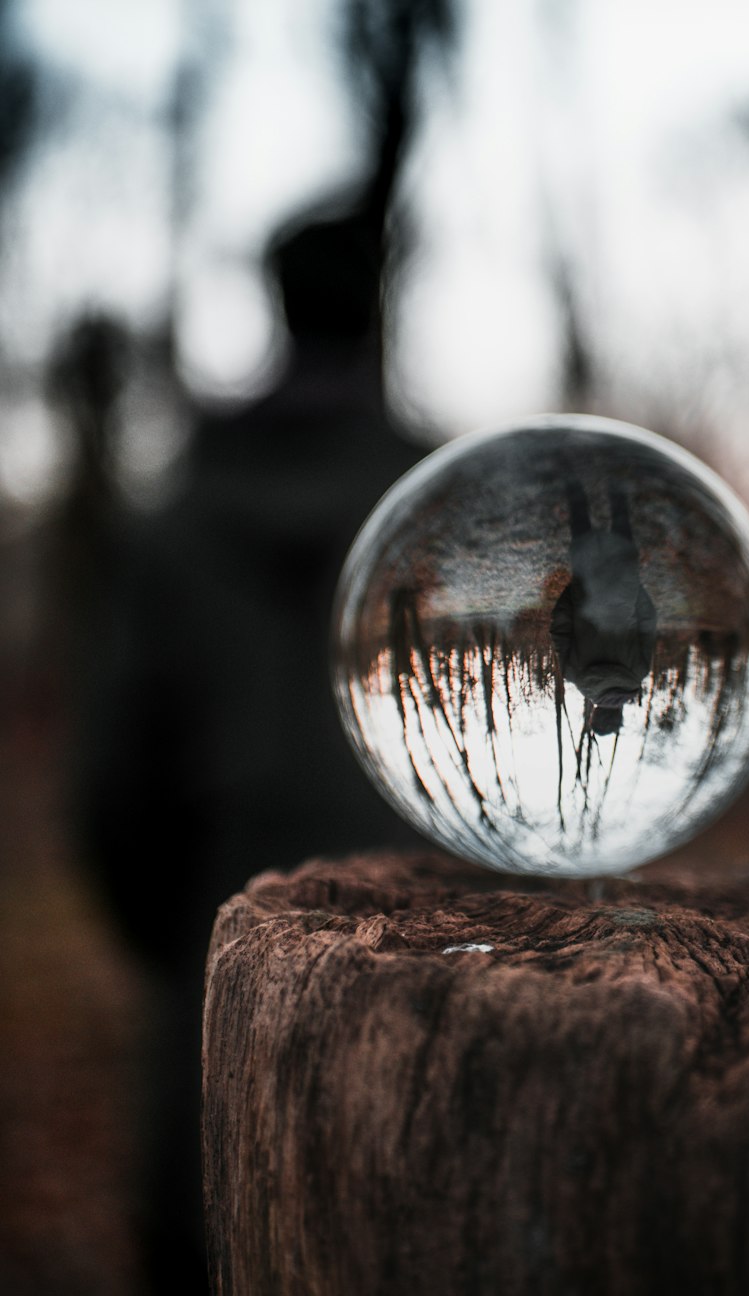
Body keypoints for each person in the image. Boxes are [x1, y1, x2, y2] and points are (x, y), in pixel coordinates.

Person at [73, 191, 425, 1292]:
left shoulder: (180, 519)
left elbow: (111, 798)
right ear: (376, 314)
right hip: (435, 1040)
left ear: (276, 310)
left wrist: (198, 949)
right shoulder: (443, 508)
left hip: (218, 1032)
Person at [550, 478, 657, 735]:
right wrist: (571, 593)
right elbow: (559, 630)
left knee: (622, 530)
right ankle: (571, 476)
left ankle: (615, 481)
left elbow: (648, 621)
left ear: (618, 712)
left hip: (624, 590)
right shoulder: (574, 675)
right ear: (596, 712)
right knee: (581, 528)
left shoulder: (638, 673)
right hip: (584, 590)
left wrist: (635, 591)